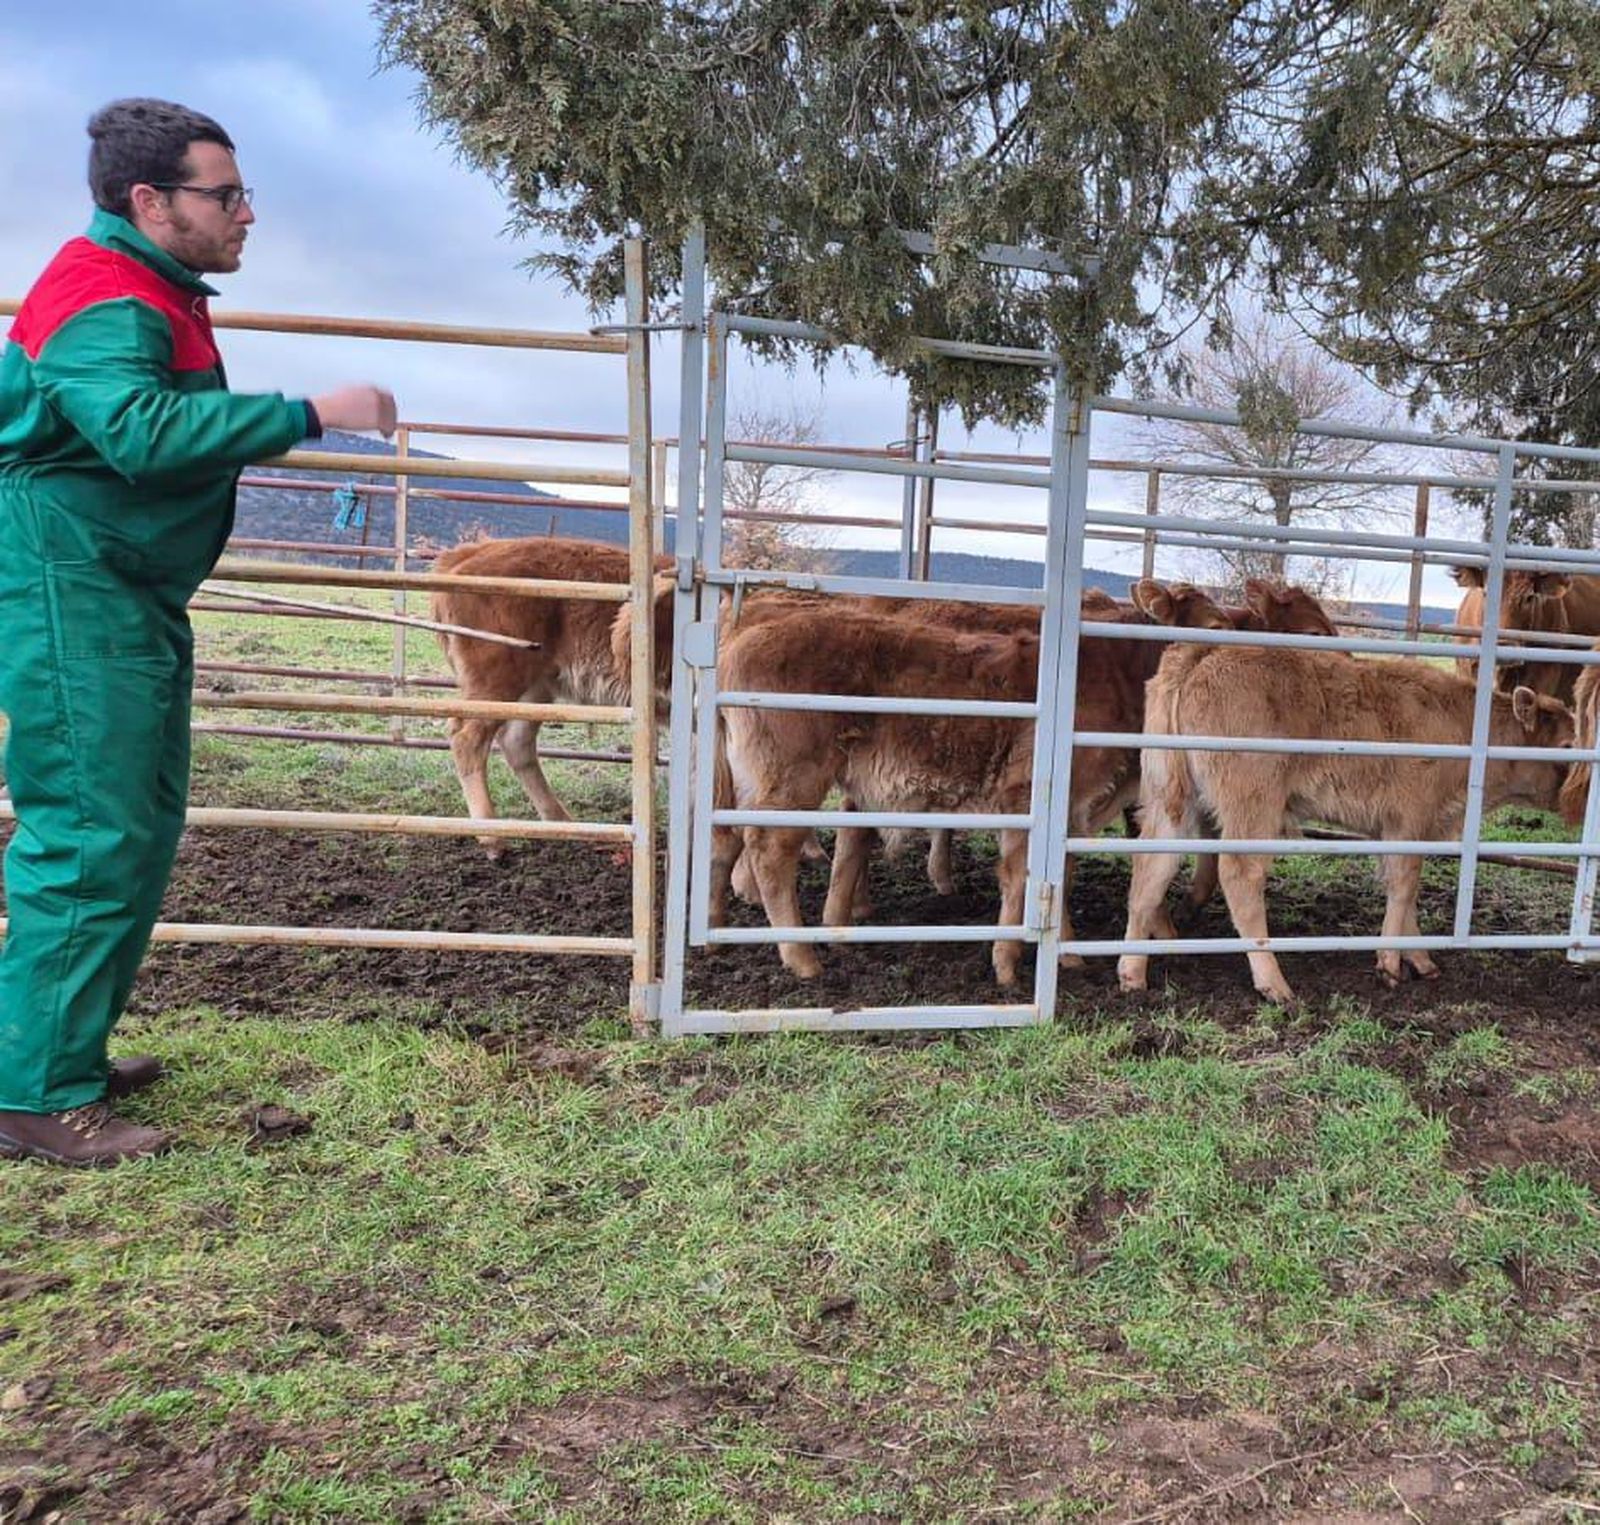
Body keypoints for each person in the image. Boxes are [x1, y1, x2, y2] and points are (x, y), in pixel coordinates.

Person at [0, 99, 397, 1165]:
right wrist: (310, 411)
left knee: (134, 819)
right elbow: (135, 430)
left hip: (118, 588)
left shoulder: (148, 286)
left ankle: (54, 1051)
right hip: (72, 587)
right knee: (89, 830)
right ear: (149, 201)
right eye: (224, 194)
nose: (245, 214)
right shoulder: (102, 293)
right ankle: (36, 1092)